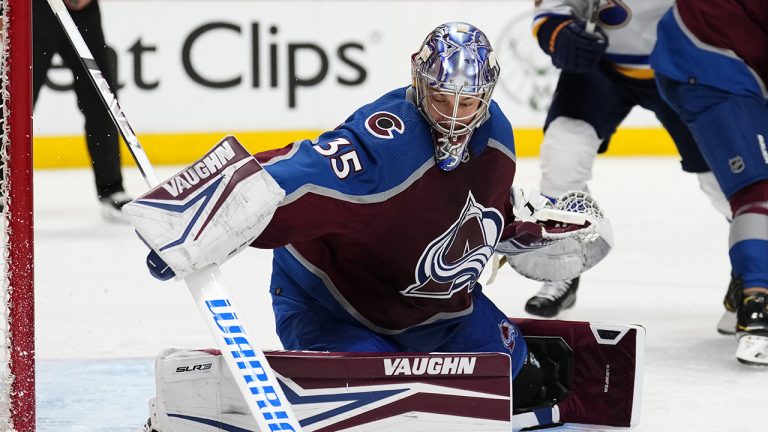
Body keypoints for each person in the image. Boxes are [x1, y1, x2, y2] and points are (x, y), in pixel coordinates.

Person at [135, 22, 603, 409]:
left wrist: (526, 228)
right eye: (442, 99)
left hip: (438, 312)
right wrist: (192, 217)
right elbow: (293, 172)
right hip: (335, 305)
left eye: (469, 102)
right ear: (420, 85)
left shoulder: (498, 136)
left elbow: (480, 211)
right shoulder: (388, 144)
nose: (455, 117)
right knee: (375, 406)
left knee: (525, 384)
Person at [524, 0, 731, 318]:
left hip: (687, 68)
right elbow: (555, 8)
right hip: (602, 66)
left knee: (727, 179)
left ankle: (755, 276)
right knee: (562, 154)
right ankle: (559, 266)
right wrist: (560, 33)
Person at [650, 0, 768, 365]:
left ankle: (741, 292)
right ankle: (757, 309)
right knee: (759, 191)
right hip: (710, 61)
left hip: (719, 57)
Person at [33, 0, 131, 222]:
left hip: (82, 11)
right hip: (32, 8)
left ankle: (112, 188)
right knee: (17, 100)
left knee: (101, 97)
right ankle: (2, 185)